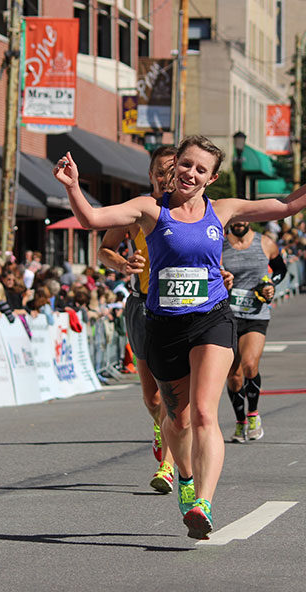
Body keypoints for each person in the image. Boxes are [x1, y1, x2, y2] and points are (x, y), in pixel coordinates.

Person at [55, 135, 306, 539]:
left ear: (211, 178)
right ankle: (187, 479)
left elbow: (286, 205)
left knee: (204, 415)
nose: (190, 174)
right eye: (186, 165)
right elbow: (92, 220)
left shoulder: (222, 210)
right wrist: (73, 186)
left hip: (211, 318)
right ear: (175, 165)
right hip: (164, 325)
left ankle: (203, 504)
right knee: (176, 420)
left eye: (201, 169)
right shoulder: (150, 209)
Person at [97, 145, 179, 495]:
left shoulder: (192, 212)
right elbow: (104, 249)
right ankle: (160, 427)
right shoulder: (137, 211)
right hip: (142, 306)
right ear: (150, 176)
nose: (166, 178)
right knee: (153, 399)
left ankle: (169, 466)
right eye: (159, 172)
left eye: (172, 171)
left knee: (175, 398)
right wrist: (121, 264)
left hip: (179, 308)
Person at [222, 220, 286, 443]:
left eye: (243, 219)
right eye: (235, 220)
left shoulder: (265, 243)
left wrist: (271, 285)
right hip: (226, 316)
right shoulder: (219, 245)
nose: (239, 223)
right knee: (234, 374)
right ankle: (240, 422)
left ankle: (253, 414)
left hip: (256, 314)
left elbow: (280, 269)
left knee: (250, 364)